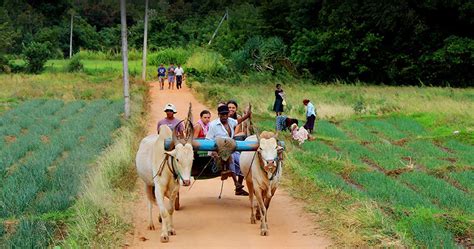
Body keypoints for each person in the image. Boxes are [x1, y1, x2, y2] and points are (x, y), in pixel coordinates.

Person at [206, 105, 250, 196]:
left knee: (242, 161)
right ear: (219, 115)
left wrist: (247, 116)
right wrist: (213, 153)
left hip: (232, 148)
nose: (224, 116)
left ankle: (239, 186)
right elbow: (208, 140)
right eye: (222, 115)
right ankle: (236, 184)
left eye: (226, 114)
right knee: (231, 157)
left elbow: (238, 121)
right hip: (219, 151)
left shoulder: (231, 121)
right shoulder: (213, 125)